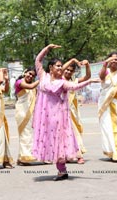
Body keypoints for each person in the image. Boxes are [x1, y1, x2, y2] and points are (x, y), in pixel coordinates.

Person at [32, 44, 98, 181]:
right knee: (49, 141)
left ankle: (62, 171)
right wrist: (48, 48)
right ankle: (62, 170)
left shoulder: (63, 83)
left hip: (58, 116)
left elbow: (76, 86)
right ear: (50, 68)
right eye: (58, 66)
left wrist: (90, 80)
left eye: (61, 66)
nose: (60, 68)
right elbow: (38, 60)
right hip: (44, 117)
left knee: (58, 142)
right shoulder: (42, 75)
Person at [62, 58, 91, 164]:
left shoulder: (74, 81)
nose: (68, 71)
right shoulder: (59, 80)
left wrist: (87, 65)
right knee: (63, 135)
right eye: (67, 69)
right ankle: (66, 155)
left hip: (72, 112)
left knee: (75, 133)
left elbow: (87, 77)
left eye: (71, 70)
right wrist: (73, 60)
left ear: (73, 72)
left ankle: (79, 155)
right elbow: (61, 70)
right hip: (61, 112)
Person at [14, 67, 39, 165]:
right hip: (22, 112)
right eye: (29, 73)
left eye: (33, 75)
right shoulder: (19, 82)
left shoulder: (32, 86)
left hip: (30, 112)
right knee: (25, 134)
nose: (30, 76)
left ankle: (21, 157)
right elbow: (31, 86)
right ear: (25, 73)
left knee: (27, 134)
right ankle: (25, 157)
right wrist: (41, 79)